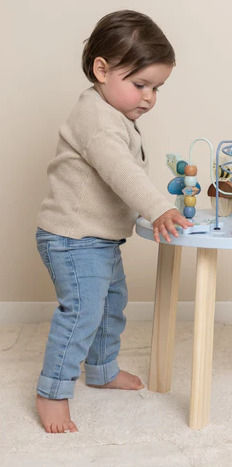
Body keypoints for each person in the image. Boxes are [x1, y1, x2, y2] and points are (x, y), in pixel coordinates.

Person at [35, 10, 192, 433]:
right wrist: (158, 208)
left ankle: (102, 368)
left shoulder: (112, 115)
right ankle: (52, 392)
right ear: (101, 70)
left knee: (110, 306)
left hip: (97, 238)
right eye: (140, 84)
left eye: (157, 88)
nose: (149, 97)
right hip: (71, 237)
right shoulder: (96, 120)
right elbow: (121, 171)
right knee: (83, 311)